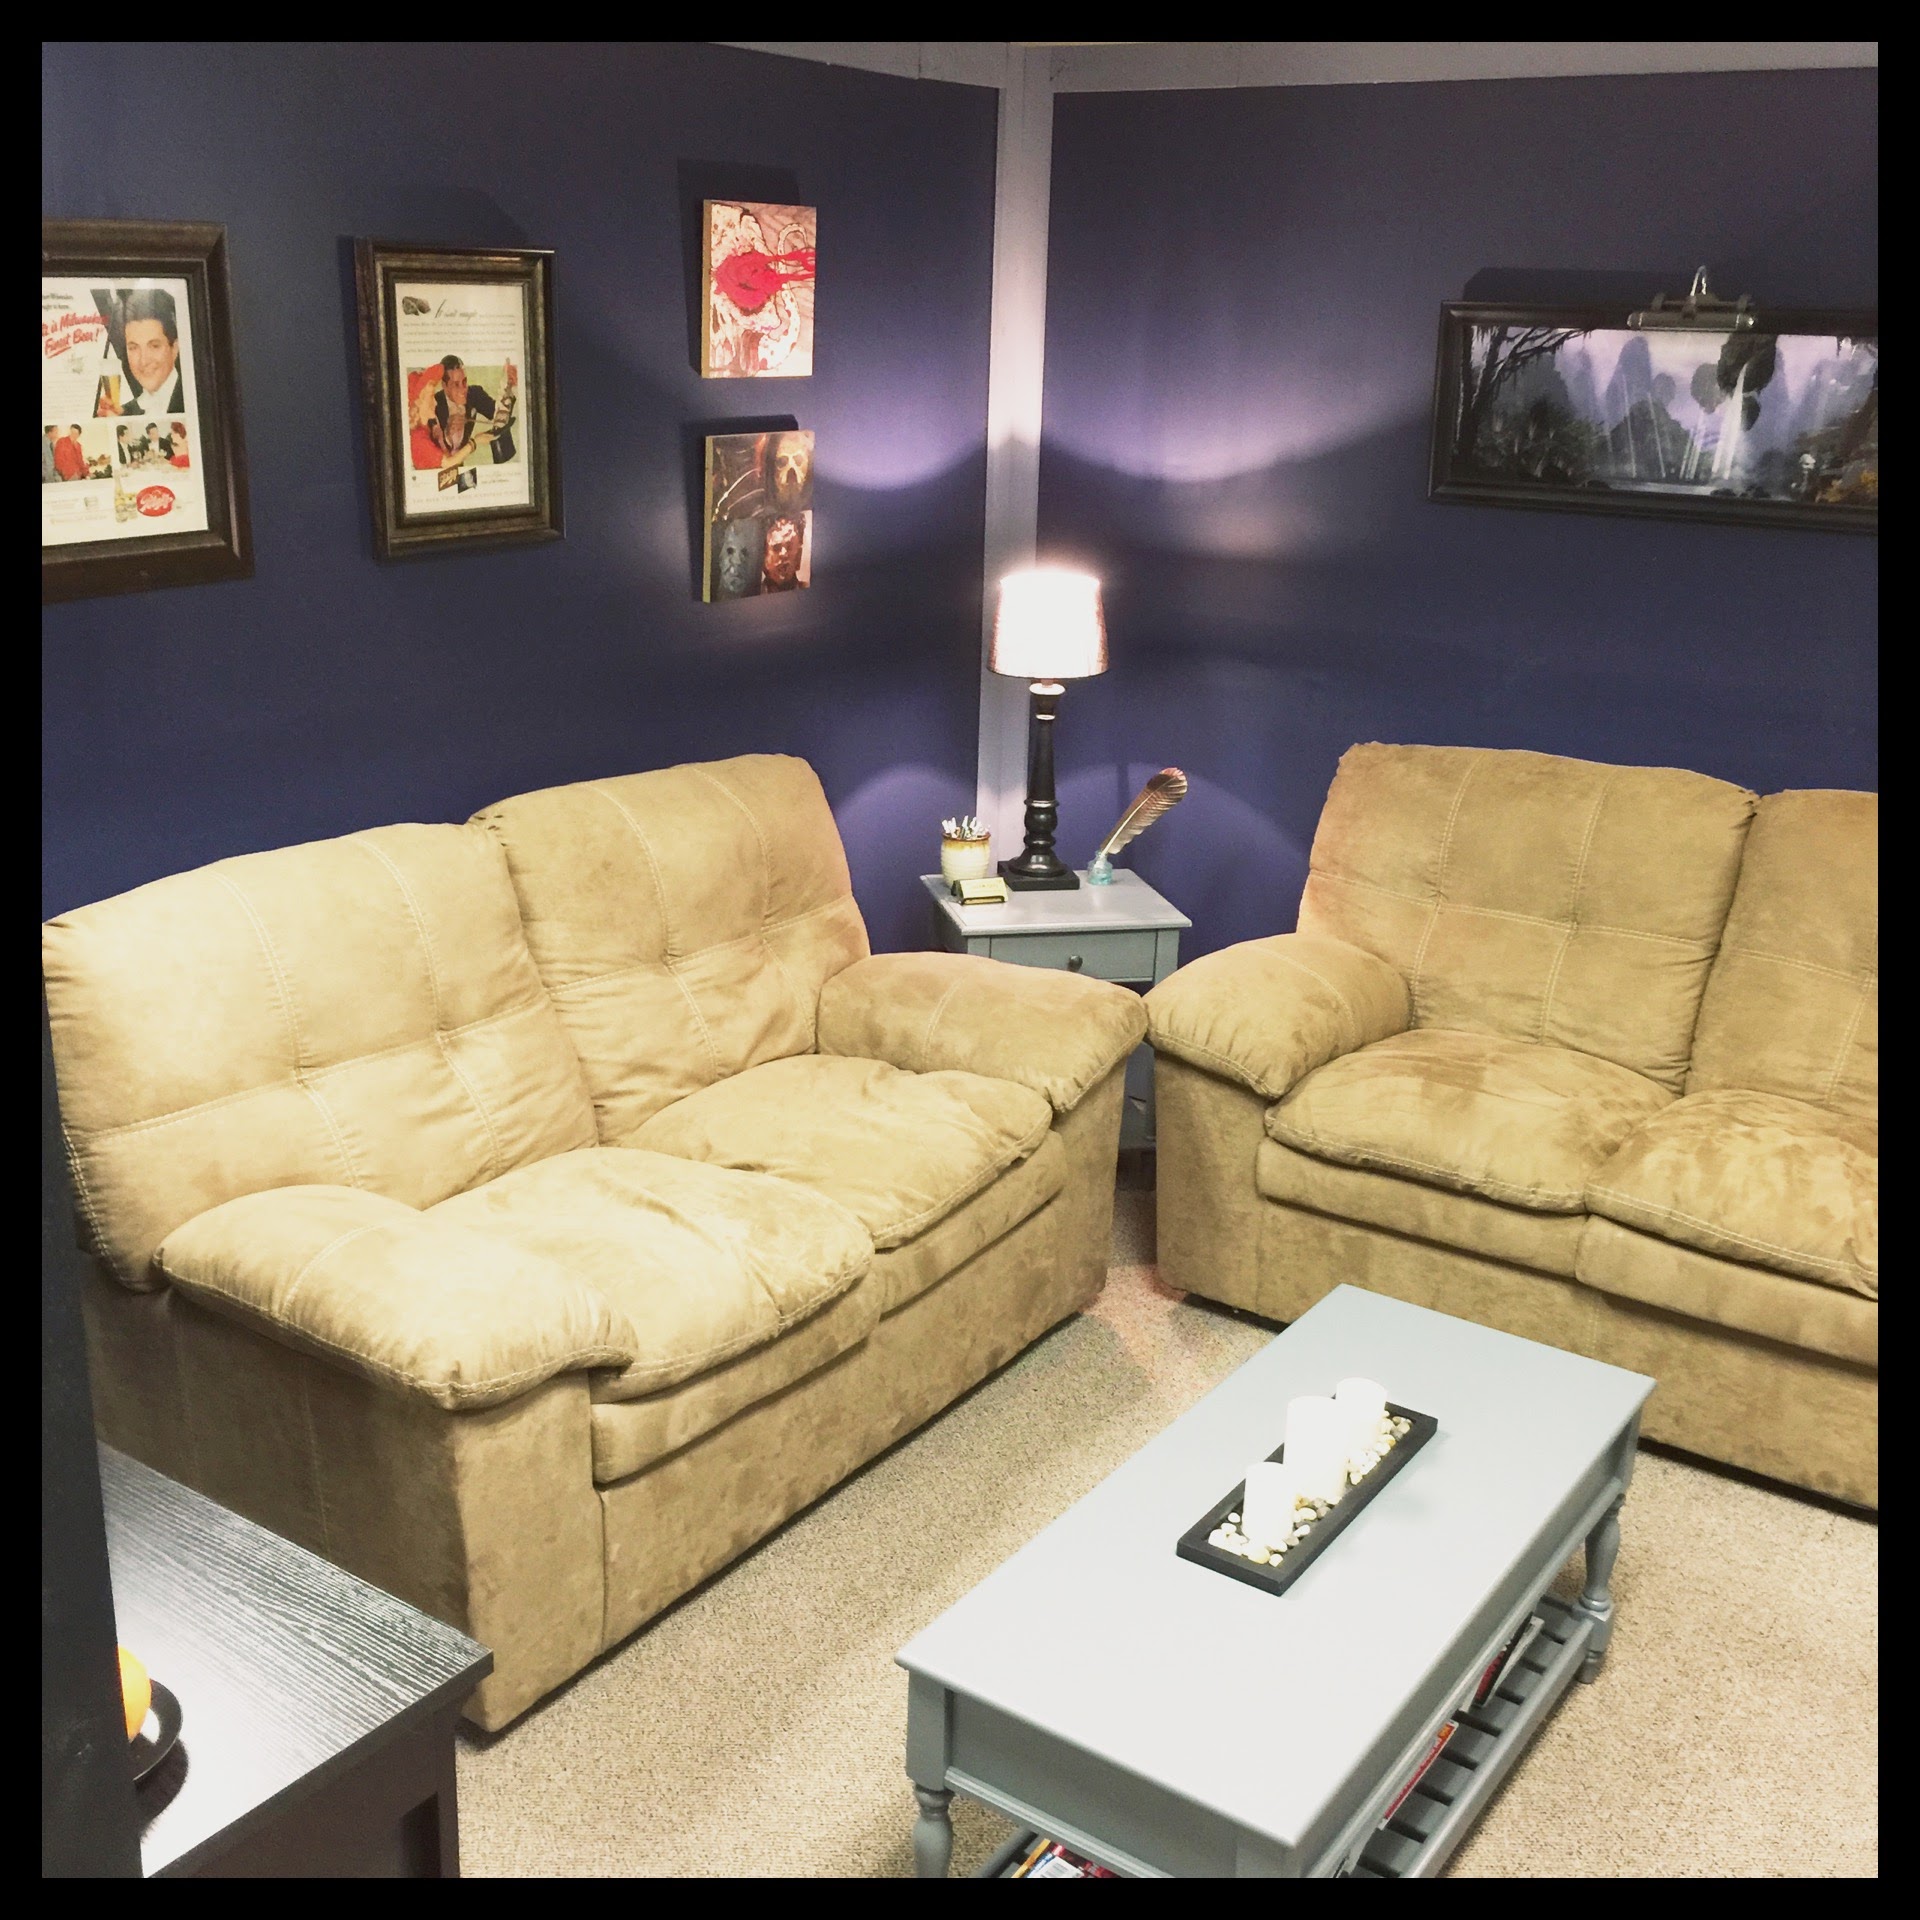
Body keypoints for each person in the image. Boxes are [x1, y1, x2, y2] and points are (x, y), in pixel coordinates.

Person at [427, 354, 518, 480]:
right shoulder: (432, 405)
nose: (463, 389)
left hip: (461, 471)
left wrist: (509, 386)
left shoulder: (474, 394)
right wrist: (447, 434)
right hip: (437, 475)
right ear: (444, 385)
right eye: (456, 384)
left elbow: (498, 415)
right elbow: (431, 456)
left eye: (464, 381)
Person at [121, 288, 187, 415]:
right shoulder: (124, 413)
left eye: (154, 346)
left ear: (174, 348)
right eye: (133, 348)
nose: (143, 361)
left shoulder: (196, 400)